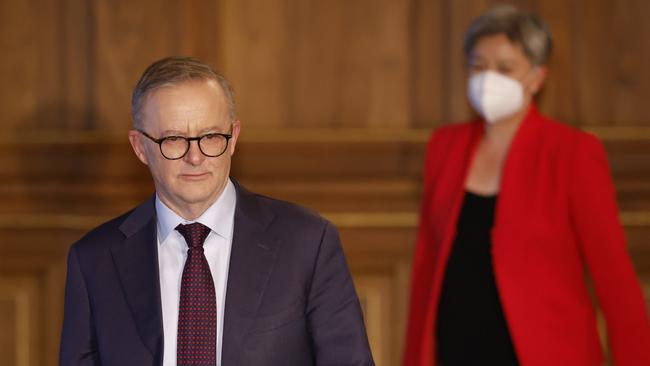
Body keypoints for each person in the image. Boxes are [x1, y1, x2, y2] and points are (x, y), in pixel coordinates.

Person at [59, 56, 375, 366]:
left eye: (210, 136)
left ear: (233, 137)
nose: (195, 157)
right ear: (140, 147)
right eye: (174, 139)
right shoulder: (94, 261)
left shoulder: (307, 243)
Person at [403, 5, 650, 366]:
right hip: (455, 349)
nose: (488, 79)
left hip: (544, 354)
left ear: (536, 77)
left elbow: (615, 282)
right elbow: (426, 270)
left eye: (505, 68)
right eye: (478, 66)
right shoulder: (445, 147)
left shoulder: (572, 153)